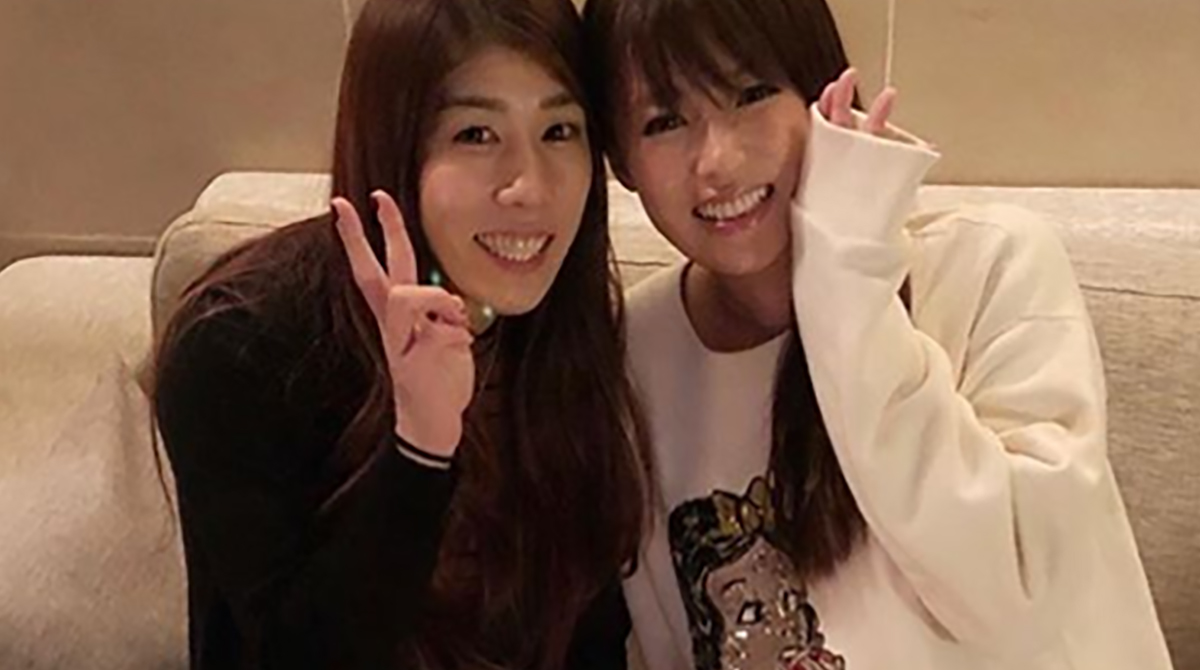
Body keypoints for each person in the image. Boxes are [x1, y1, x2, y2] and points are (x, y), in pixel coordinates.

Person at [582, 0, 1173, 667]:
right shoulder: (633, 356)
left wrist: (847, 284)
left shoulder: (992, 266)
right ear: (620, 162)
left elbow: (1014, 594)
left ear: (822, 90)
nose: (717, 159)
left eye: (751, 93)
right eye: (664, 122)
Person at [152, 0, 652, 667]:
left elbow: (588, 637)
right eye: (476, 134)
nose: (530, 188)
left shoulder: (562, 329)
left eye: (559, 130)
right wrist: (419, 452)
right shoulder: (241, 343)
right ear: (392, 146)